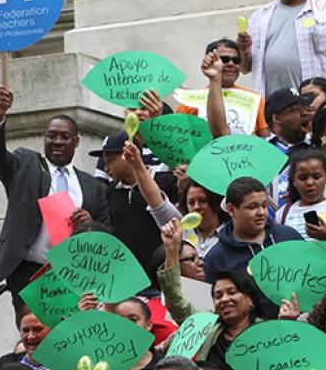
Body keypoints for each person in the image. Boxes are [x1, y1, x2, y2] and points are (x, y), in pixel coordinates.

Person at [0, 85, 111, 318]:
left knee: (67, 336)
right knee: (34, 334)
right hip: (29, 272)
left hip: (75, 275)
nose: (57, 141)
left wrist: (91, 223)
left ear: (76, 142)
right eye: (51, 135)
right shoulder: (24, 165)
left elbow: (109, 233)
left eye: (65, 137)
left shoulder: (92, 187)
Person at [156, 224, 264, 370]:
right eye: (218, 296)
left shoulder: (265, 331)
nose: (224, 299)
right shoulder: (205, 325)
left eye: (232, 292)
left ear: (250, 299)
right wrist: (172, 250)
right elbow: (175, 301)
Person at [89, 131, 177, 272]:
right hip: (126, 275)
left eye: (110, 160)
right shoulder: (111, 193)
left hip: (161, 272)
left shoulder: (165, 182)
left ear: (127, 156)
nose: (106, 168)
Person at [123, 141, 227, 257]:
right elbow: (155, 201)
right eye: (191, 202)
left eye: (203, 201)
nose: (196, 207)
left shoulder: (233, 231)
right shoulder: (180, 227)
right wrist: (137, 165)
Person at [177, 38, 268, 137]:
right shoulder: (189, 101)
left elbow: (265, 139)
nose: (231, 64)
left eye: (236, 60)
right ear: (209, 60)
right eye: (224, 59)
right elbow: (181, 138)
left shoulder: (255, 99)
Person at [0, 307, 77, 370]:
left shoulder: (73, 366)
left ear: (53, 331)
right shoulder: (5, 363)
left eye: (38, 329)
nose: (30, 336)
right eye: (25, 330)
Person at [94, 89, 173, 184]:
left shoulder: (168, 146)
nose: (138, 113)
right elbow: (100, 186)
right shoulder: (111, 142)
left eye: (144, 109)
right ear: (125, 113)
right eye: (132, 109)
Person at [276, 147, 326, 244]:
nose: (310, 183)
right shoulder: (283, 213)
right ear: (293, 181)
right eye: (303, 178)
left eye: (316, 177)